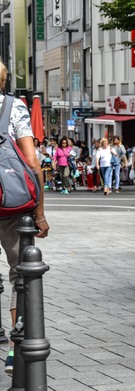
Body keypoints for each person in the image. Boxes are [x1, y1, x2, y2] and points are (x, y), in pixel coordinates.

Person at [0, 60, 49, 375]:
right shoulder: (13, 107)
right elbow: (32, 162)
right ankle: (16, 350)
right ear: (3, 81)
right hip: (11, 204)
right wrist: (40, 212)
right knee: (21, 274)